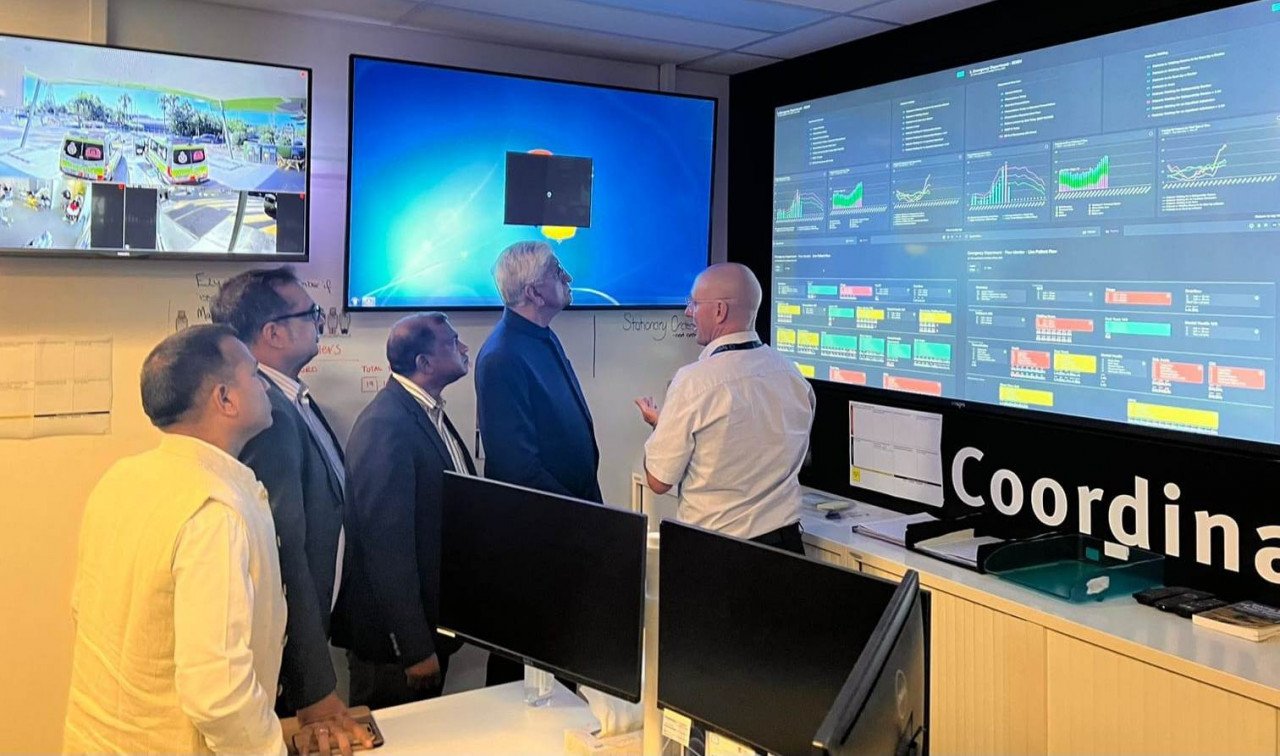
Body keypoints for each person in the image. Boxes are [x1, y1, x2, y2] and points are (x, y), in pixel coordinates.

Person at [63, 325, 287, 754]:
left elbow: (84, 611)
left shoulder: (121, 478)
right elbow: (218, 693)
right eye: (255, 375)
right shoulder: (214, 511)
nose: (265, 386)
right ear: (225, 399)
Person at [211, 267, 370, 755]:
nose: (320, 322)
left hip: (312, 630)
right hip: (286, 657)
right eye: (310, 313)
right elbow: (283, 552)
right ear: (273, 333)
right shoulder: (269, 413)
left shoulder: (291, 397)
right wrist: (313, 686)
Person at [333, 313, 476, 708]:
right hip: (393, 651)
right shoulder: (386, 426)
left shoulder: (425, 412)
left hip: (432, 628)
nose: (465, 349)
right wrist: (414, 647)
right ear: (424, 363)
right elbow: (386, 549)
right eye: (453, 342)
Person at [636, 263, 816, 554]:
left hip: (718, 555)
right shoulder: (792, 374)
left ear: (719, 311)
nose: (688, 312)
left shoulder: (694, 382)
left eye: (694, 303)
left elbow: (658, 481)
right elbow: (789, 453)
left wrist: (661, 428)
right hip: (786, 551)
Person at [474, 240, 601, 503]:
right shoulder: (501, 358)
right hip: (548, 517)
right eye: (557, 271)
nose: (568, 277)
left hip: (577, 509)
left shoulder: (541, 335)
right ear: (534, 293)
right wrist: (582, 515)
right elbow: (517, 471)